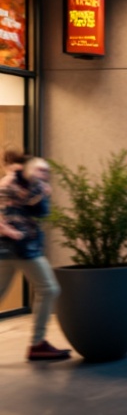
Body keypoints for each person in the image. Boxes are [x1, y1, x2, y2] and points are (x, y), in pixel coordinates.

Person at [0, 153, 71, 362]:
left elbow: (39, 211)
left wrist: (42, 192)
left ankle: (38, 344)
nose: (42, 174)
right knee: (49, 289)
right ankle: (37, 344)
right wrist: (9, 231)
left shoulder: (28, 186)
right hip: (21, 248)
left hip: (17, 248)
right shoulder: (9, 184)